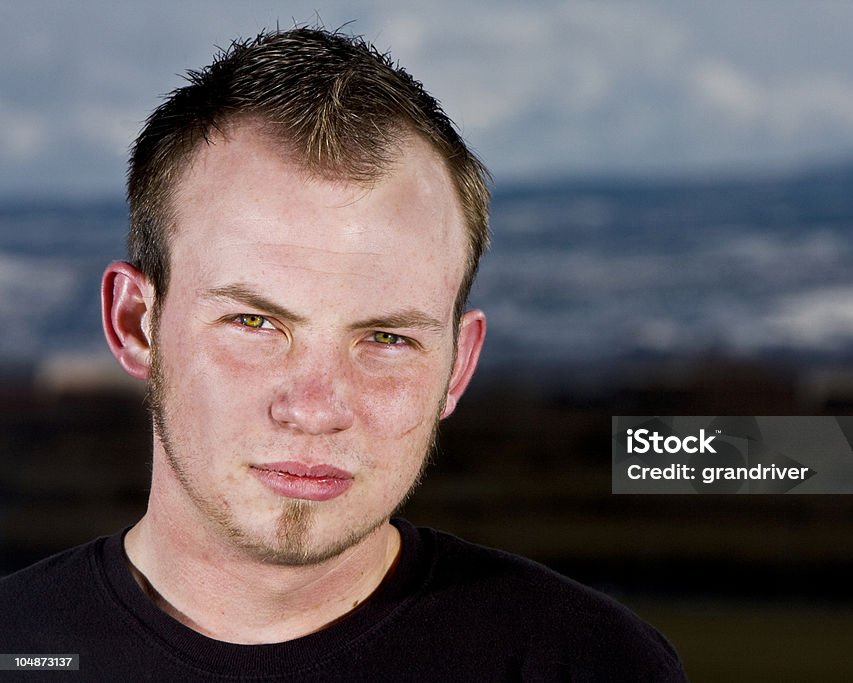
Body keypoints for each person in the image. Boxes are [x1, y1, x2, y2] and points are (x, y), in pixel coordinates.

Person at [0, 27, 686, 681]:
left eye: (387, 338)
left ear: (459, 363)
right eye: (254, 321)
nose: (316, 406)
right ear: (135, 325)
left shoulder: (589, 666)